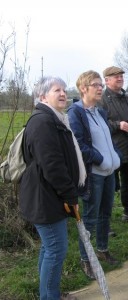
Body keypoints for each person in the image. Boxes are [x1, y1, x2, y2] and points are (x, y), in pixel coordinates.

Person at [19, 76, 85, 300]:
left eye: (64, 90)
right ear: (42, 96)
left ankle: (48, 294)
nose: (63, 94)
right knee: (56, 250)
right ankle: (50, 296)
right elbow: (53, 165)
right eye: (57, 90)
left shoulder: (55, 119)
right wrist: (70, 195)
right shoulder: (43, 122)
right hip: (45, 198)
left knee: (50, 248)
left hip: (48, 196)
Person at [68, 71, 121, 279]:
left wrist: (116, 155)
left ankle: (102, 249)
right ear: (83, 88)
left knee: (105, 214)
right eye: (95, 85)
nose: (100, 88)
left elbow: (108, 139)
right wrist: (101, 159)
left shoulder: (100, 112)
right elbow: (79, 146)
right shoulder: (76, 113)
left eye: (101, 85)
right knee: (89, 219)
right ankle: (86, 260)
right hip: (94, 174)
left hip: (109, 173)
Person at [100, 66, 128, 224]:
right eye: (116, 76)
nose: (120, 79)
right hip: (112, 149)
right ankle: (105, 220)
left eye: (121, 76)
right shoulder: (102, 100)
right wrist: (118, 125)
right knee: (110, 187)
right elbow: (100, 123)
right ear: (107, 80)